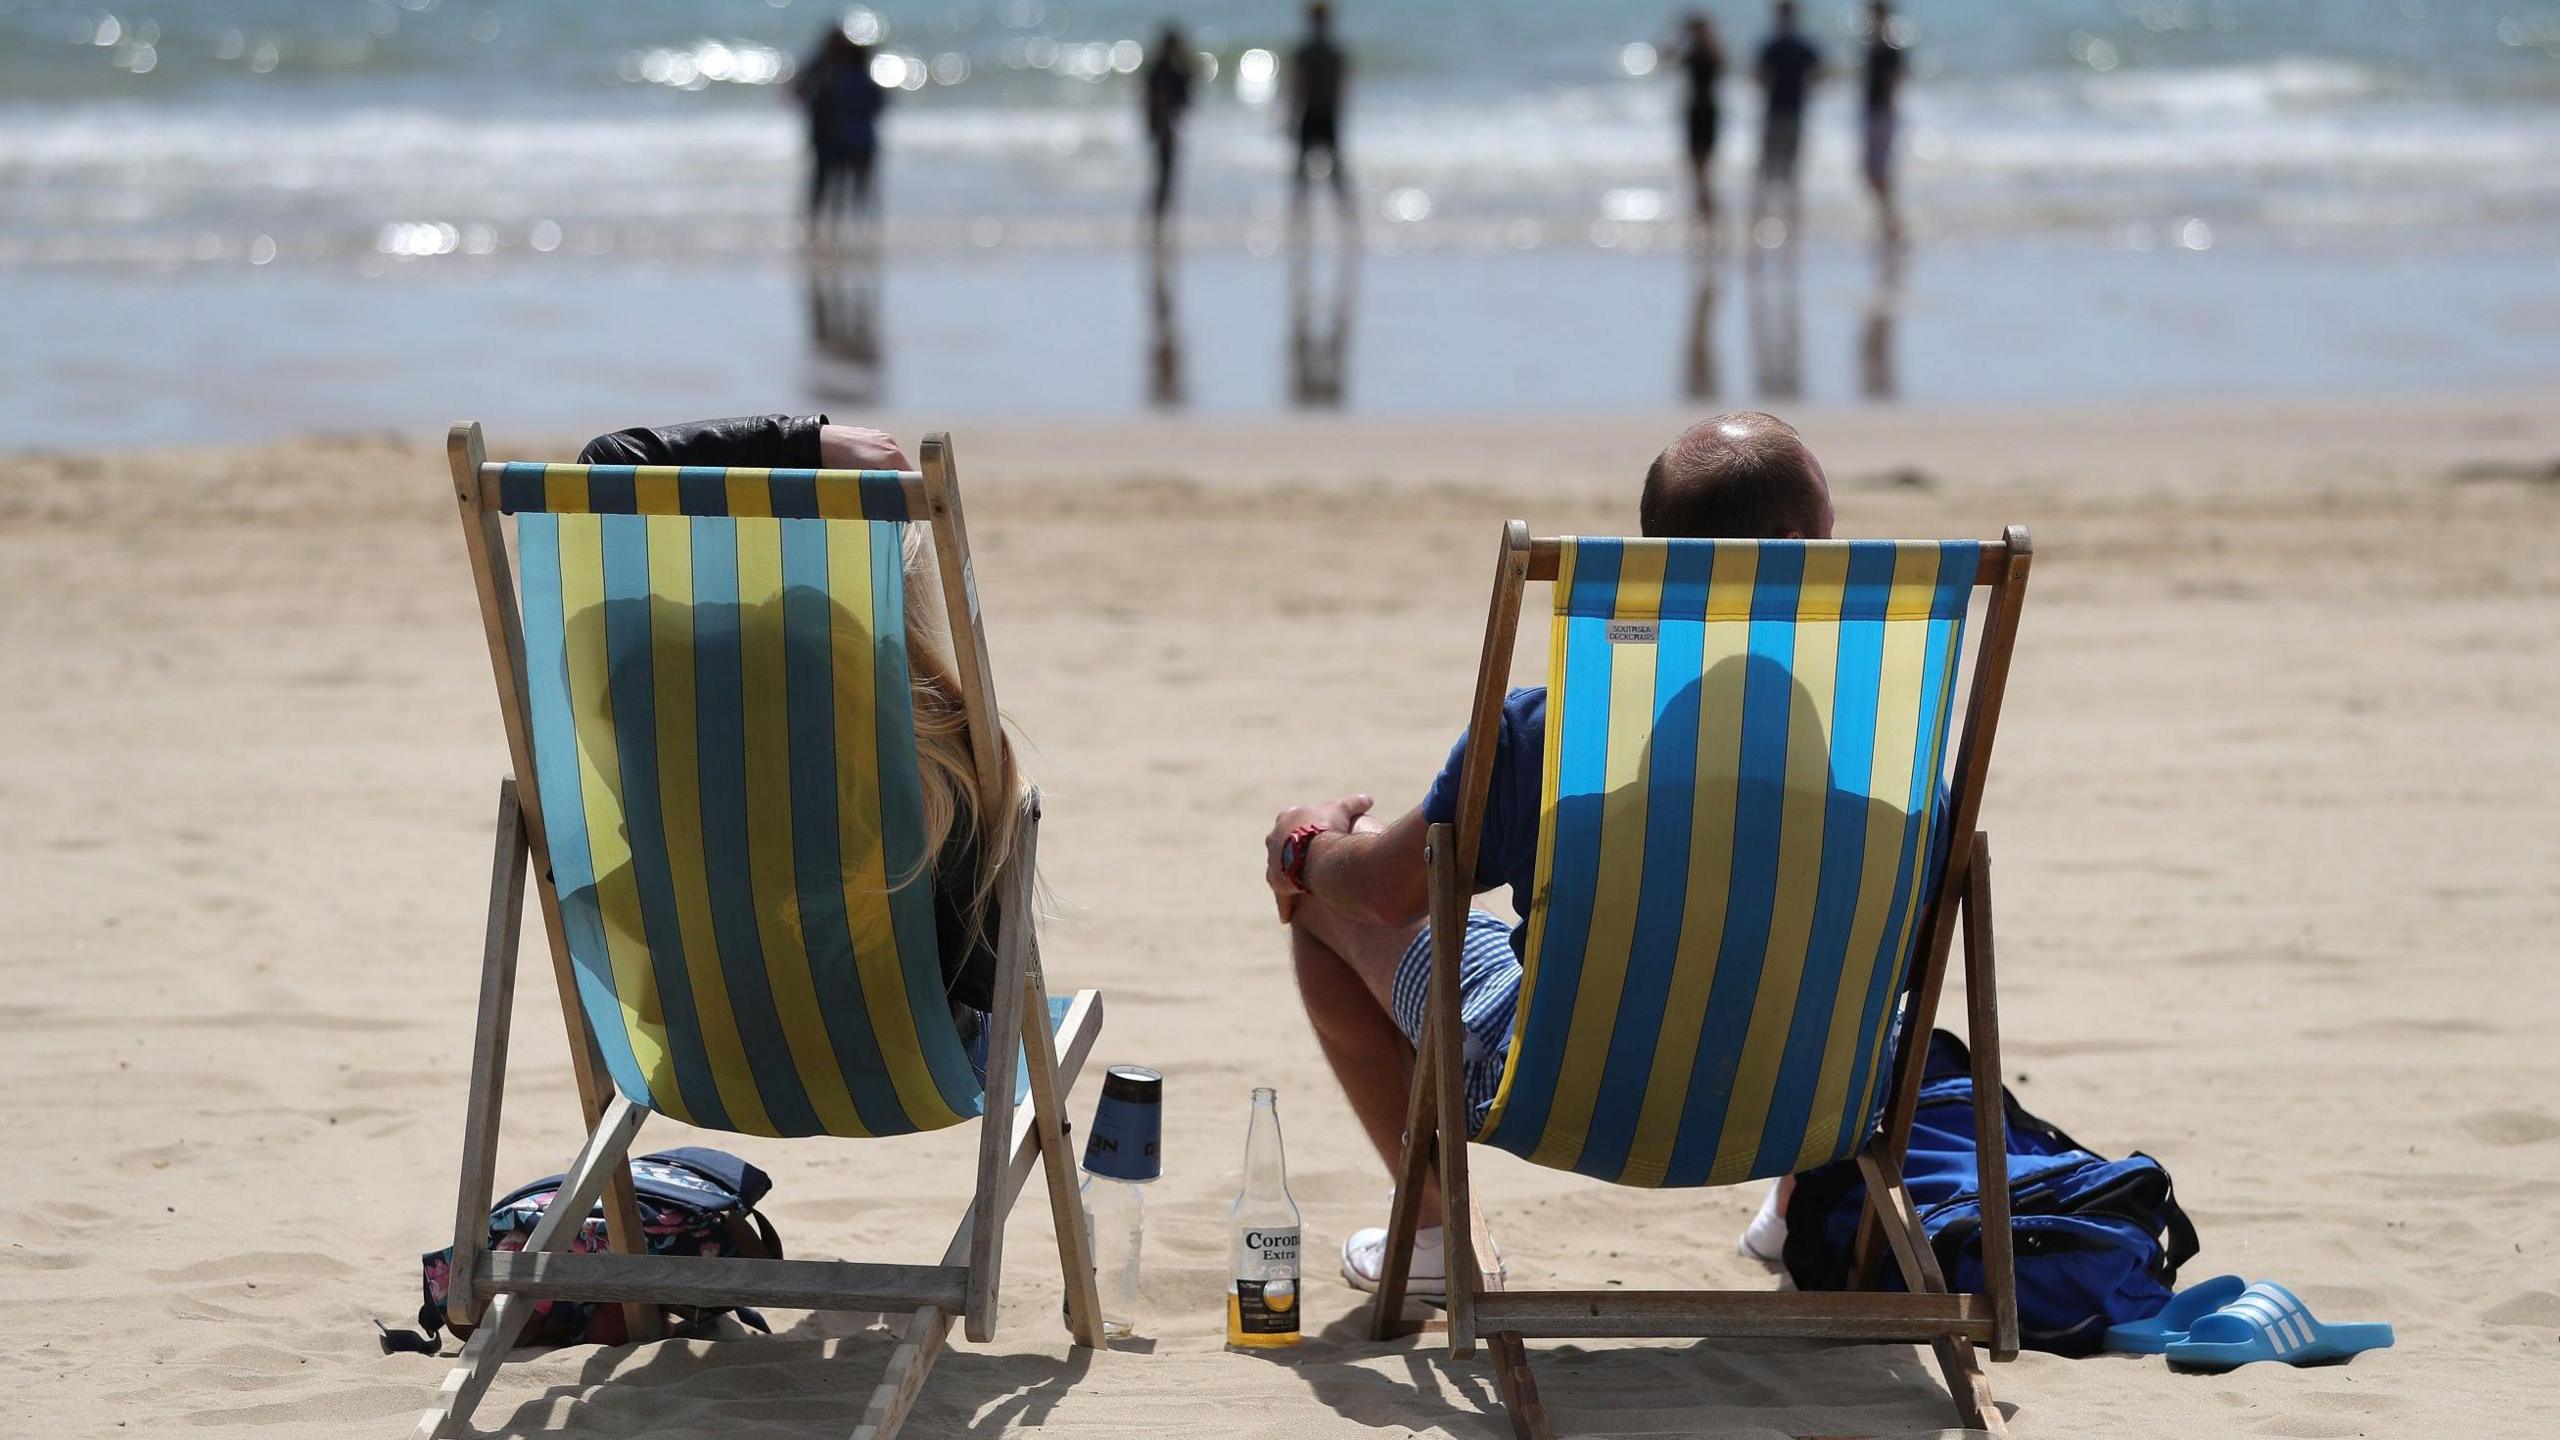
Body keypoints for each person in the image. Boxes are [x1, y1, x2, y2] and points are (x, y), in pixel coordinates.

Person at [1263, 412, 1837, 1299]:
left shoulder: (1549, 735)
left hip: (1570, 1094)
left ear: (1658, 560)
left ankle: (1432, 1238)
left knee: (1327, 911)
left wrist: (1308, 849)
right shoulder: (1889, 752)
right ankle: (1795, 1217)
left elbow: (1384, 895)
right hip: (1813, 1098)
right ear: (1819, 554)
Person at [577, 417, 1024, 1054]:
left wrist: (803, 444)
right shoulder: (941, 758)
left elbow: (604, 465)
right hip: (901, 1069)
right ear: (901, 597)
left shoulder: (656, 692)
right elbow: (986, 983)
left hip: (708, 1052)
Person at [795, 27, 891, 243]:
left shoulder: (837, 74)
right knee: (839, 186)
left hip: (841, 139)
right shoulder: (826, 69)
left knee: (841, 186)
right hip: (838, 139)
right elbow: (878, 106)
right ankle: (839, 231)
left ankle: (841, 231)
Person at [1753, 0, 1822, 231]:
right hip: (1788, 114)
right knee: (1783, 173)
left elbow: (1759, 77)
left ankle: (1775, 224)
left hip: (1780, 114)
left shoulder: (1776, 46)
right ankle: (1784, 226)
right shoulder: (1798, 46)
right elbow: (1822, 74)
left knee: (1772, 173)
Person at [1289, 1, 1353, 218]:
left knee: (1323, 176)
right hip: (1323, 115)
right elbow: (1340, 89)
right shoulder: (1332, 53)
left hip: (1316, 114)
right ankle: (1303, 228)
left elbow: (1298, 88)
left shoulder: (1309, 53)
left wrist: (1291, 116)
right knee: (1313, 177)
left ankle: (1302, 229)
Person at [1142, 23, 1197, 230]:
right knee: (1165, 175)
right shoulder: (1164, 69)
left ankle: (1160, 221)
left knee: (1164, 175)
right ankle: (1158, 221)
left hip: (1163, 127)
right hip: (1165, 128)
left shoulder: (1161, 68)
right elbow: (1159, 101)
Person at [1862, 0, 1908, 246]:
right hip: (1872, 112)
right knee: (1871, 172)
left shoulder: (1889, 47)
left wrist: (1888, 112)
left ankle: (1891, 223)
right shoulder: (1871, 46)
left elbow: (1894, 80)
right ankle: (1888, 222)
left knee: (1878, 170)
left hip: (1881, 114)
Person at [1674, 12, 1725, 224]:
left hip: (1707, 112)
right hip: (1694, 112)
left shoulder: (1711, 53)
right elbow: (1665, 57)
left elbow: (1723, 63)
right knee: (1696, 171)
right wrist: (1679, 35)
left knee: (1704, 170)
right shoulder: (1692, 54)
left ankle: (1709, 216)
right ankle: (1705, 215)